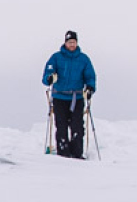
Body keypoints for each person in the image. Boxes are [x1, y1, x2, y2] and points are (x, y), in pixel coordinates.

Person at [42, 30, 97, 158]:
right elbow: (47, 74)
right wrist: (49, 78)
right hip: (59, 97)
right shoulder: (56, 57)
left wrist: (90, 88)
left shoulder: (84, 59)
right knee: (61, 126)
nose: (72, 45)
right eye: (69, 42)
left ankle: (77, 153)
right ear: (65, 43)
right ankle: (63, 154)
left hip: (76, 98)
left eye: (74, 42)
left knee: (77, 126)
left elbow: (90, 76)